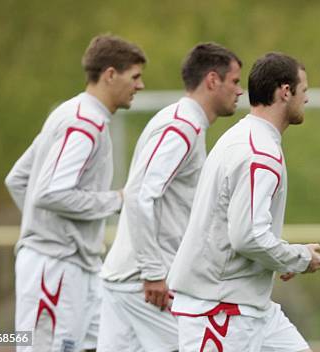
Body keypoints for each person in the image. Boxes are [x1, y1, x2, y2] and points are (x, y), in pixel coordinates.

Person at [167, 52, 320, 352]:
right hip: (221, 310)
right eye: (304, 90)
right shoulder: (259, 152)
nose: (306, 98)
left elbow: (242, 226)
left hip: (249, 305)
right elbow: (247, 236)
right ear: (285, 91)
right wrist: (299, 258)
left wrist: (279, 258)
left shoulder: (244, 136)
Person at [97, 43, 243, 352]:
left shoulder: (187, 124)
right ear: (213, 80)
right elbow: (138, 195)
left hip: (127, 281)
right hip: (142, 285)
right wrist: (152, 273)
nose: (240, 91)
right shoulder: (182, 126)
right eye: (235, 81)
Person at [4, 34, 146, 351]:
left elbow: (18, 179)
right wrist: (117, 200)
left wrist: (49, 230)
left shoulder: (72, 113)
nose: (140, 86)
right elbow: (51, 193)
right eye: (135, 77)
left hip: (75, 266)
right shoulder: (85, 123)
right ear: (110, 74)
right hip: (55, 268)